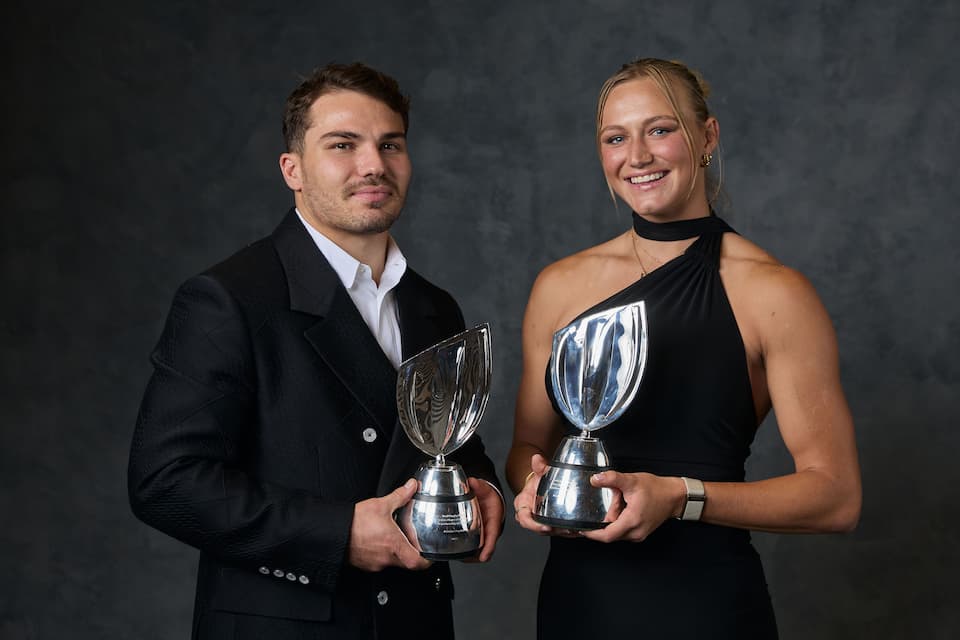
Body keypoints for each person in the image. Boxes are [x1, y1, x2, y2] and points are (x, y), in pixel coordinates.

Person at [128, 62, 504, 640]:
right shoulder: (229, 298)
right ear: (293, 169)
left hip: (413, 623)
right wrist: (338, 534)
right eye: (343, 145)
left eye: (390, 144)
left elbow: (452, 443)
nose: (373, 164)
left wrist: (481, 486)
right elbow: (165, 481)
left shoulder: (434, 306)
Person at [507, 58, 861, 639]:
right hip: (578, 604)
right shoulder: (559, 286)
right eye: (616, 138)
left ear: (706, 137)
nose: (637, 156)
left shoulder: (773, 292)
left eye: (660, 129)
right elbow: (526, 447)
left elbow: (836, 497)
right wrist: (536, 486)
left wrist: (679, 498)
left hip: (705, 607)